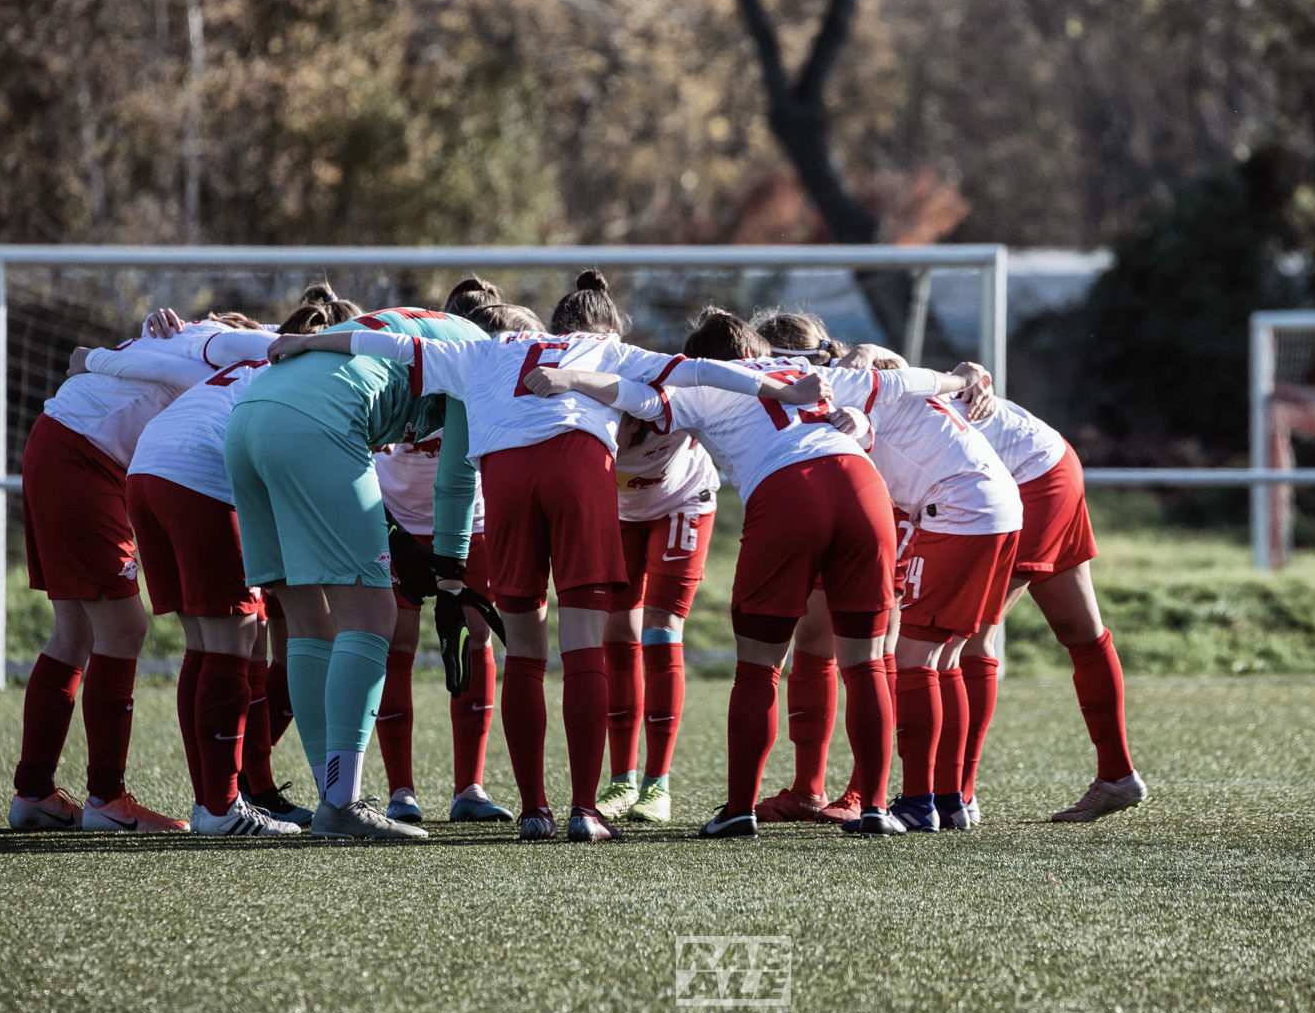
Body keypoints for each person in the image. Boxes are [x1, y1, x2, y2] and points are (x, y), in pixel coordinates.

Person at [265, 272, 828, 842]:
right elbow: (696, 371)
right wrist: (778, 391)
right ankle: (585, 809)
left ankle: (535, 808)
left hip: (506, 476)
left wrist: (307, 340)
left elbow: (387, 343)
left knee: (527, 651)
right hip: (577, 464)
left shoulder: (481, 348)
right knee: (584, 642)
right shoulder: (603, 347)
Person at [522, 308, 991, 839]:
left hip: (789, 493)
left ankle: (740, 808)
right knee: (866, 664)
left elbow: (634, 397)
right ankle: (877, 807)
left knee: (759, 666)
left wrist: (566, 377)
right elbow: (906, 380)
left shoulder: (701, 388)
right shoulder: (812, 375)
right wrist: (964, 377)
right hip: (865, 492)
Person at [226, 302, 486, 841]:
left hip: (248, 418)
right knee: (371, 616)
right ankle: (342, 803)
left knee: (308, 623)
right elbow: (457, 482)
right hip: (314, 423)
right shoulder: (484, 355)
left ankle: (331, 797)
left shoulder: (428, 325)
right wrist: (452, 578)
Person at [750, 319, 1022, 834]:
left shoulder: (854, 389)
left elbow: (856, 422)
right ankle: (950, 798)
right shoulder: (894, 383)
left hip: (958, 507)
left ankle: (919, 801)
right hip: (996, 506)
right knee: (942, 658)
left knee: (914, 657)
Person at [9, 307, 274, 833]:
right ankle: (106, 798)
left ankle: (33, 790)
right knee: (124, 628)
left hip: (59, 443)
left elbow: (77, 360)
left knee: (75, 630)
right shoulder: (226, 345)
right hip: (83, 457)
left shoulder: (183, 342)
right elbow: (282, 342)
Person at [111, 284, 358, 836]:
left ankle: (215, 802)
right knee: (233, 639)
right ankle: (222, 808)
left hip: (147, 470)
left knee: (205, 643)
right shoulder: (321, 368)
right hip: (199, 474)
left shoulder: (264, 354)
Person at [367, 281, 526, 827]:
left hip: (470, 527)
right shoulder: (411, 359)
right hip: (397, 524)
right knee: (397, 643)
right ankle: (400, 792)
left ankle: (470, 788)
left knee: (474, 640)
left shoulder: (492, 367)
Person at [961, 392, 1146, 823]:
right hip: (1046, 460)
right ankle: (1118, 776)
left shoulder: (849, 403)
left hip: (1033, 476)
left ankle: (955, 794)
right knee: (1079, 629)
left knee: (966, 635)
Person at [592, 412, 719, 824]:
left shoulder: (673, 408)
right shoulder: (581, 410)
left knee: (660, 630)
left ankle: (657, 785)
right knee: (616, 630)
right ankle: (622, 782)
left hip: (682, 504)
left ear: (633, 418)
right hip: (618, 512)